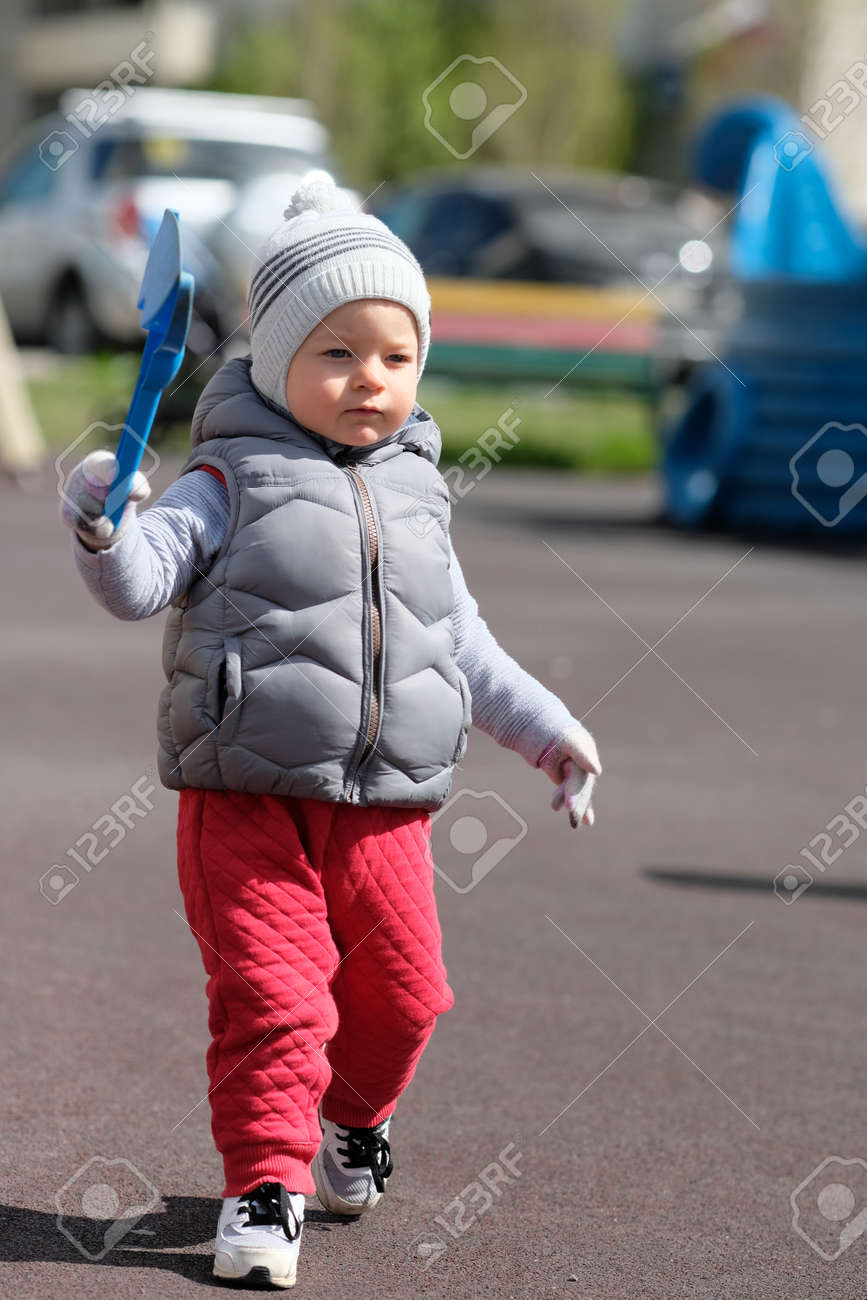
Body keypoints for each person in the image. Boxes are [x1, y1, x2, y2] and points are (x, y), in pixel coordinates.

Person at [60, 172, 602, 1290]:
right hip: (246, 799)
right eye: (340, 353)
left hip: (388, 809)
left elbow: (466, 645)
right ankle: (266, 1184)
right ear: (275, 361)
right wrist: (103, 522)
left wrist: (550, 733)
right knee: (275, 999)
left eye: (396, 357)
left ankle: (354, 1117)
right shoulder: (227, 473)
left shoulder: (416, 495)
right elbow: (138, 580)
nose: (371, 380)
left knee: (404, 1000)